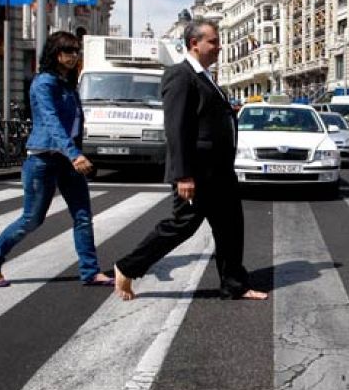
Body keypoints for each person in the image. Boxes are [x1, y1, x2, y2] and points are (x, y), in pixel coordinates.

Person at [113, 20, 267, 302]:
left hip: (220, 171)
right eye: (213, 41)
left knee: (231, 227)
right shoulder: (180, 75)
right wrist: (183, 175)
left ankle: (234, 284)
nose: (219, 46)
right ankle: (127, 266)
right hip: (198, 172)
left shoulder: (206, 76)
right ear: (194, 43)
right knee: (182, 225)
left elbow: (203, 116)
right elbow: (177, 127)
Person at [0, 32, 114, 287]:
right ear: (55, 53)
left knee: (83, 216)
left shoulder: (67, 83)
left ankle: (90, 271)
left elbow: (73, 123)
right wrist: (75, 154)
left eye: (76, 51)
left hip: (68, 159)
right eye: (68, 51)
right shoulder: (45, 83)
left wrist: (75, 151)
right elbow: (51, 121)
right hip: (44, 159)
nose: (73, 56)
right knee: (32, 218)